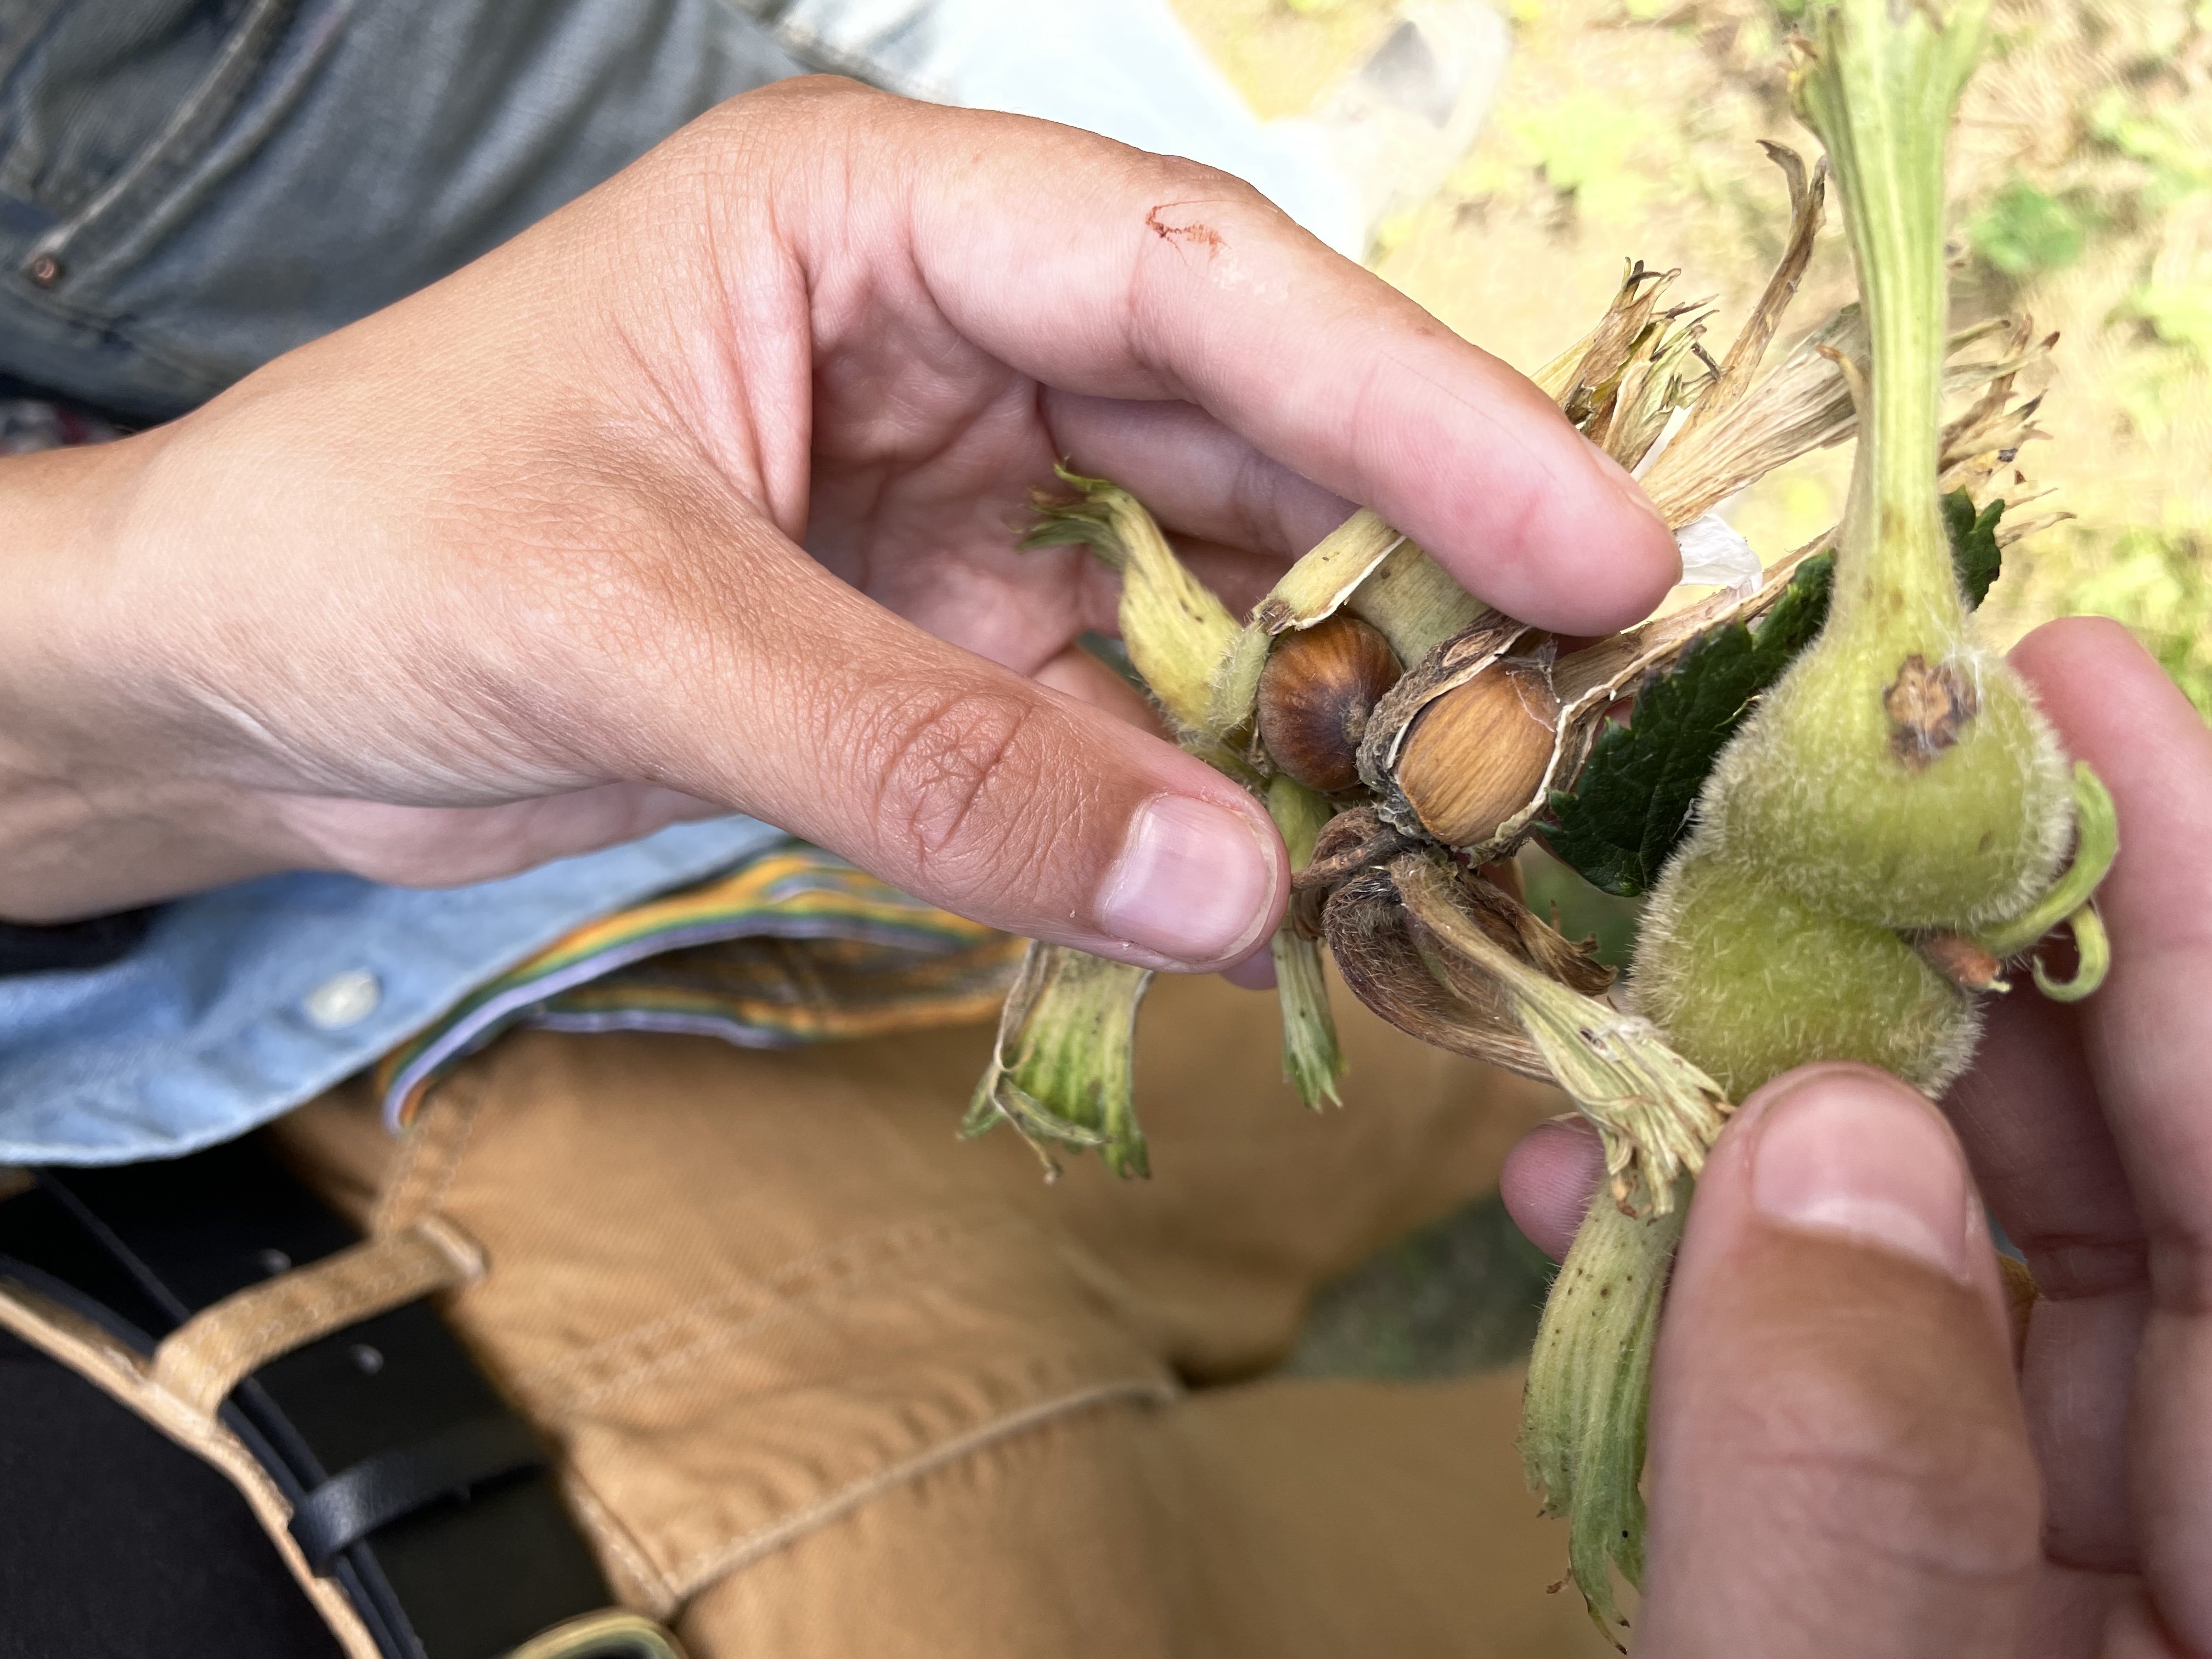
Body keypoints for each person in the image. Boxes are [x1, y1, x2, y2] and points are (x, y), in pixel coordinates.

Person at [2, 5, 2208, 1657]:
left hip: (532, 973)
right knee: (1713, 1520)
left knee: (1538, 1109)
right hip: (648, 1548)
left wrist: (118, 710)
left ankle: (2002, 1277)